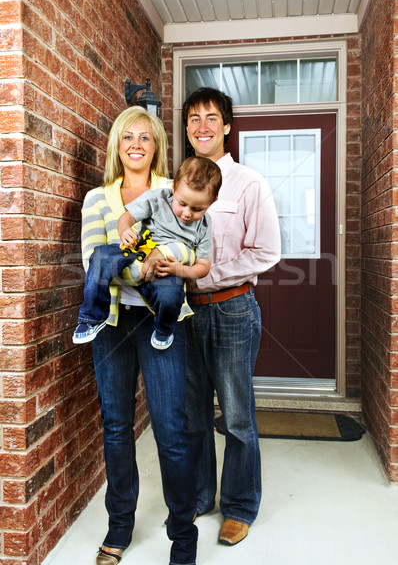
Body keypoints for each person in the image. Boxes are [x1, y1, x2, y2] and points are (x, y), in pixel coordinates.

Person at [79, 105, 198, 565]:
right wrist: (152, 267)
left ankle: (182, 535)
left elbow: (188, 251)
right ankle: (119, 526)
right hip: (112, 325)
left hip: (163, 322)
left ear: (157, 147)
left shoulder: (174, 193)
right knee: (115, 427)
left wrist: (167, 267)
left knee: (171, 429)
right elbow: (94, 261)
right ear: (116, 146)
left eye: (145, 137)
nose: (135, 144)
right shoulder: (96, 199)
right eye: (127, 136)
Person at [180, 87, 281, 546]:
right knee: (194, 413)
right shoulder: (175, 184)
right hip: (184, 314)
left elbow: (267, 251)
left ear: (227, 126)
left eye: (211, 117)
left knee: (237, 415)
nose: (202, 125)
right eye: (193, 118)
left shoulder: (249, 183)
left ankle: (239, 506)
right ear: (186, 128)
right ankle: (202, 495)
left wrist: (203, 276)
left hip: (232, 309)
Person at [73, 155, 221, 350]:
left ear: (212, 202)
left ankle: (163, 329)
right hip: (137, 249)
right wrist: (124, 230)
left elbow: (203, 266)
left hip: (164, 269)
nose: (187, 213)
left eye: (197, 209)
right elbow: (127, 217)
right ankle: (91, 317)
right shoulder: (157, 198)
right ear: (173, 188)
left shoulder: (204, 224)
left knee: (170, 295)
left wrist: (180, 270)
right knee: (101, 256)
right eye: (182, 204)